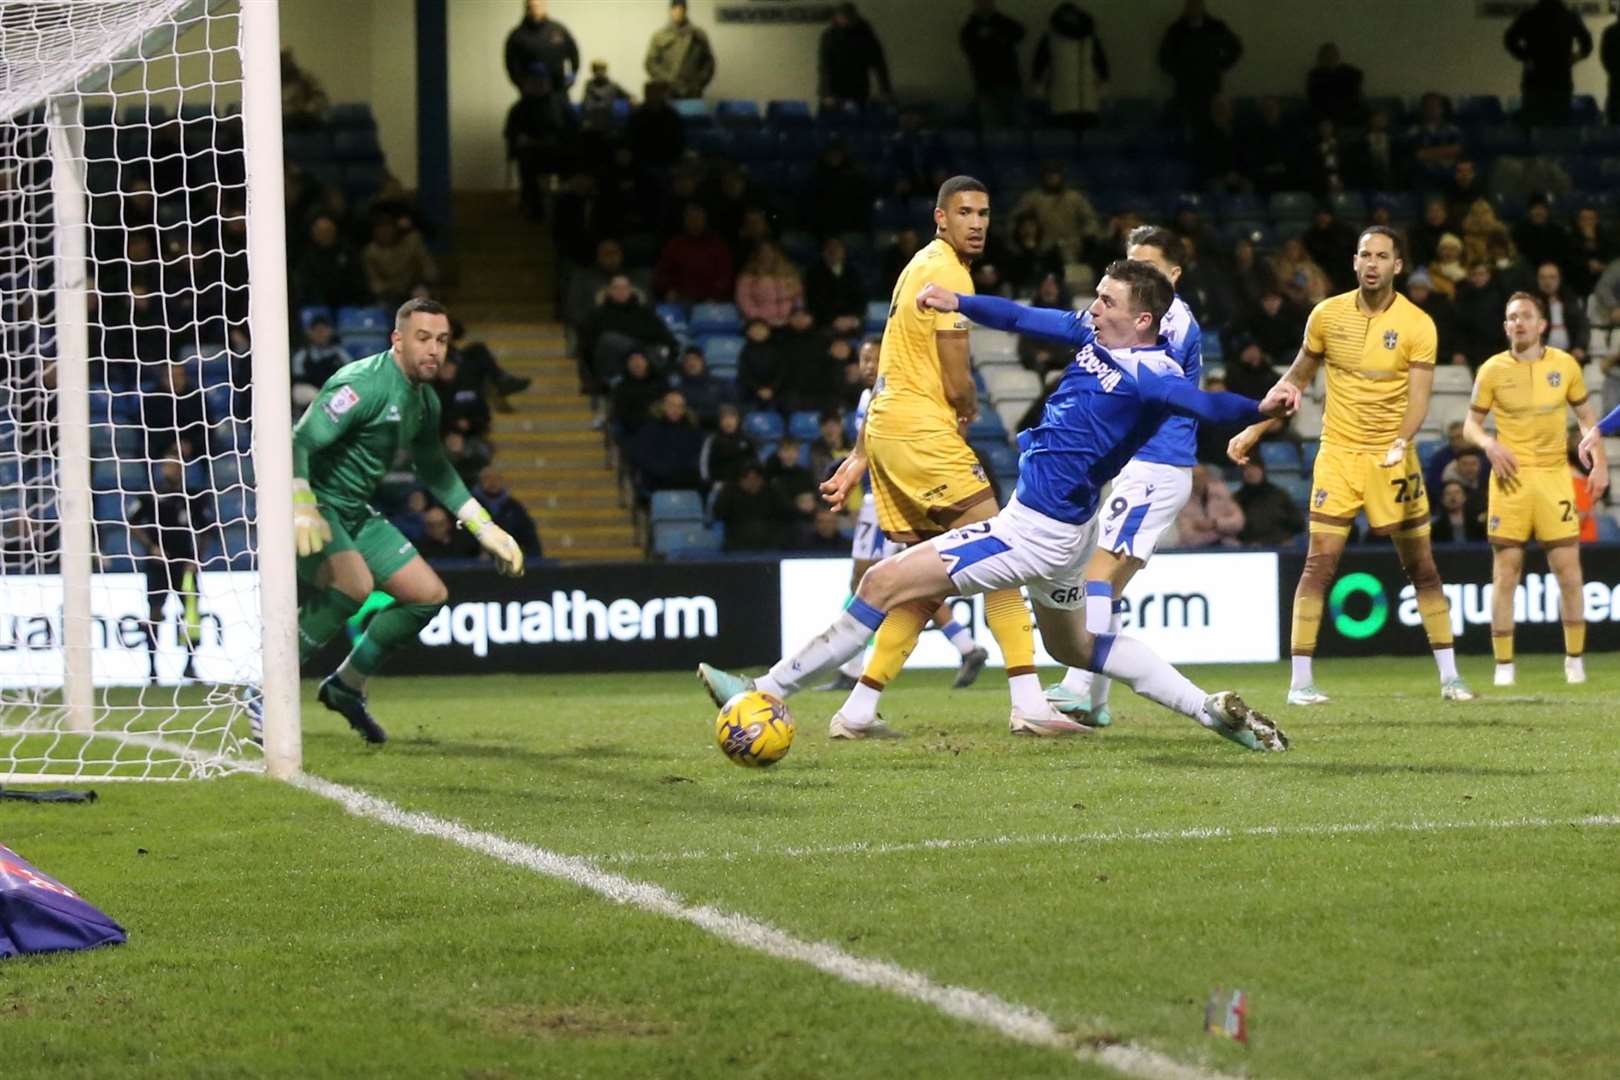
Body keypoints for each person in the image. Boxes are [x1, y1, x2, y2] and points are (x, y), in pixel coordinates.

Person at [700, 259, 1296, 750]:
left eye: (1107, 302)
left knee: (882, 582)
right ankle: (1210, 711)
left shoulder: (1151, 373)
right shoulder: (1095, 336)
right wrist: (959, 303)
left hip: (1035, 531)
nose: (1094, 307)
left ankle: (764, 691)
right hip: (1069, 532)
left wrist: (1262, 408)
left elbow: (1206, 405)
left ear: (1142, 318)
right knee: (1075, 648)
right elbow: (1021, 316)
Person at [707, 176, 1066, 737]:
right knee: (1003, 554)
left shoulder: (917, 266)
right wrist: (966, 403)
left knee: (920, 582)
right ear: (940, 218)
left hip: (892, 432)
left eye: (985, 213)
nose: (977, 223)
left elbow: (886, 373)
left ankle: (852, 709)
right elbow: (953, 370)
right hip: (923, 433)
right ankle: (1029, 702)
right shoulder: (948, 270)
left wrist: (860, 453)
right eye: (965, 212)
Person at [1227, 226, 1476, 705]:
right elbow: (1295, 381)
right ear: (1354, 261)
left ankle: (1450, 677)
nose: (1372, 263)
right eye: (1365, 254)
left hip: (1392, 456)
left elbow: (1419, 401)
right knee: (1319, 564)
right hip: (1339, 454)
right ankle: (1300, 684)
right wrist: (1254, 428)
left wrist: (1402, 441)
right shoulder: (1327, 315)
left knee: (1422, 566)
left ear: (1397, 266)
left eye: (1382, 256)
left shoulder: (1418, 323)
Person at [281, 299, 525, 744]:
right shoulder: (363, 384)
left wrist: (483, 526)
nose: (434, 350)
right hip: (309, 504)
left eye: (443, 341)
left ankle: (345, 686)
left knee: (426, 595)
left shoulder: (424, 401)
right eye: (423, 338)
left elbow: (434, 468)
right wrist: (300, 502)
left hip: (353, 512)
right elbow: (299, 441)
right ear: (397, 340)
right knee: (352, 585)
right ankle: (266, 689)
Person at [1044, 227, 1202, 726]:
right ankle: (1095, 701)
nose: (1136, 278)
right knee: (1107, 584)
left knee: (1098, 574)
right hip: (1144, 461)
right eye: (1131, 265)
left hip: (1158, 462)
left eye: (1149, 269)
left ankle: (1079, 684)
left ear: (1173, 276)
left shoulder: (1172, 322)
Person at [822, 337, 989, 691]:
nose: (868, 365)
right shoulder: (868, 398)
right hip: (877, 499)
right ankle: (967, 647)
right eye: (863, 359)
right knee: (904, 586)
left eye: (874, 358)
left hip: (891, 502)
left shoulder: (897, 396)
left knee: (869, 581)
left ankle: (853, 671)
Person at [1465, 292, 1606, 686]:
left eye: (1526, 316)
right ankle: (1504, 667)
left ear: (1542, 324)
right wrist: (1489, 444)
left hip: (1553, 476)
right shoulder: (1492, 370)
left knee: (1569, 572)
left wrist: (1600, 467)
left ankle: (1574, 661)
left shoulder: (1565, 365)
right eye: (1512, 317)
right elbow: (1470, 425)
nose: (1519, 323)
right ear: (1505, 326)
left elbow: (1586, 418)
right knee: (1505, 573)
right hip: (1510, 481)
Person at [127, 458, 208, 683]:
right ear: (162, 469)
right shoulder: (150, 495)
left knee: (190, 615)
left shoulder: (192, 497)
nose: (174, 469)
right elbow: (131, 522)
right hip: (158, 565)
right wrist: (151, 547)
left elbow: (207, 529)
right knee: (154, 615)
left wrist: (197, 558)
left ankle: (190, 666)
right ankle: (152, 669)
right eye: (169, 465)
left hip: (185, 564)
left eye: (178, 466)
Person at [1504, 0, 1593, 127]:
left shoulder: (1530, 15)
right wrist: (1575, 57)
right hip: (1560, 78)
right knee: (1559, 126)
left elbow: (1509, 40)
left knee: (1534, 124)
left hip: (1535, 78)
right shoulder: (1569, 16)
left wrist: (1525, 57)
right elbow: (1587, 44)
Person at [1157, 0, 1243, 126]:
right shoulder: (1176, 30)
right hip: (1186, 89)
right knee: (1187, 124)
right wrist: (1179, 72)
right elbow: (1163, 58)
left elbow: (1235, 48)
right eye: (1191, 6)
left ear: (1202, 7)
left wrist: (1219, 66)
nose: (1194, 9)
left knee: (1210, 124)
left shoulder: (1215, 28)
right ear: (1186, 8)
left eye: (1196, 5)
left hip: (1209, 87)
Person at [1032, 3, 1109, 131]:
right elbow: (1039, 64)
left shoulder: (1089, 39)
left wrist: (1103, 87)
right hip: (1062, 103)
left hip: (1087, 103)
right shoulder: (1052, 38)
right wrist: (1039, 89)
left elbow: (1101, 63)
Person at [1012, 163, 1103, 264]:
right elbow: (1015, 221)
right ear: (1043, 177)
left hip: (1073, 246)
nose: (1052, 178)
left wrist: (1087, 236)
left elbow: (1090, 220)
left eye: (1055, 175)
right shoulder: (1032, 199)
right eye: (1049, 175)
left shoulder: (1074, 198)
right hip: (1041, 248)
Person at [960, 0, 1026, 128]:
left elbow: (1020, 33)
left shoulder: (1003, 23)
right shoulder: (970, 28)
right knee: (993, 128)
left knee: (1018, 125)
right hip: (987, 84)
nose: (984, 4)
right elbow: (969, 48)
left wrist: (994, 37)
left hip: (1008, 81)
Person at [818, 3, 892, 110]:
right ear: (837, 17)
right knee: (835, 121)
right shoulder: (829, 36)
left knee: (856, 119)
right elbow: (825, 66)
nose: (845, 20)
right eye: (842, 17)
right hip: (836, 88)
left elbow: (879, 64)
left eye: (848, 17)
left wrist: (885, 90)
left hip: (858, 87)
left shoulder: (865, 34)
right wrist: (826, 93)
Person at [654, 203, 733, 303]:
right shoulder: (675, 244)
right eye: (691, 218)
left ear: (705, 220)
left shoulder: (717, 245)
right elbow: (662, 272)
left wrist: (715, 296)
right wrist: (668, 290)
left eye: (698, 218)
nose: (694, 221)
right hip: (680, 297)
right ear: (685, 221)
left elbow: (725, 276)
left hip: (711, 300)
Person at [503, 0, 578, 96]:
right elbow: (510, 63)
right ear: (527, 8)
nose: (535, 9)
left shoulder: (558, 30)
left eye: (538, 5)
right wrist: (519, 83)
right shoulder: (518, 35)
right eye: (532, 6)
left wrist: (573, 73)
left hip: (558, 90)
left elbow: (573, 52)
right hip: (530, 94)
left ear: (544, 6)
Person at [645, 1, 715, 101]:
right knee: (668, 116)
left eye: (681, 9)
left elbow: (709, 64)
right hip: (666, 90)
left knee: (690, 115)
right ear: (670, 11)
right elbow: (650, 63)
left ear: (685, 11)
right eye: (675, 9)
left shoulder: (698, 35)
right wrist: (666, 79)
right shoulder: (660, 35)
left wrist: (698, 83)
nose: (678, 13)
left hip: (692, 91)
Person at [733, 240, 804, 328]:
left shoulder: (788, 274)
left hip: (790, 320)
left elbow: (798, 296)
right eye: (763, 251)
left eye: (770, 251)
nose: (767, 254)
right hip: (760, 321)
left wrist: (797, 312)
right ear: (757, 254)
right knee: (758, 333)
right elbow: (744, 301)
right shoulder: (748, 277)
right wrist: (759, 317)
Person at [475, 467, 543, 557]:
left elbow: (529, 536)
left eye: (496, 478)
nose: (492, 482)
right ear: (480, 482)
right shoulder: (472, 505)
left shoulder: (513, 507)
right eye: (487, 478)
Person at [804, 236, 867, 331]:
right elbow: (814, 303)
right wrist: (832, 320)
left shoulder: (853, 273)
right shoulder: (814, 274)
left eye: (837, 247)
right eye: (830, 248)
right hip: (825, 325)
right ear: (823, 252)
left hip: (851, 323)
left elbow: (861, 298)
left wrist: (854, 318)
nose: (833, 251)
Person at [1235, 460, 1305, 546]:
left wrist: (1286, 538)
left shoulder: (1279, 495)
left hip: (1280, 544)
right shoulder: (1237, 498)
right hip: (1249, 547)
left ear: (1262, 471)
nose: (1251, 472)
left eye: (1254, 468)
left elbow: (1298, 522)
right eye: (1246, 469)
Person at [1173, 464, 1244, 547]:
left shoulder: (1221, 493)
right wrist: (1220, 533)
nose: (1198, 480)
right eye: (1194, 477)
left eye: (1201, 476)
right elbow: (1187, 535)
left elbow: (1239, 522)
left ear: (1207, 477)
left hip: (1226, 545)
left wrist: (1215, 524)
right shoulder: (1182, 500)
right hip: (1194, 549)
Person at [1532, 261, 1589, 362]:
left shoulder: (1571, 300)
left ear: (1559, 279)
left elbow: (1582, 326)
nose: (1547, 282)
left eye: (1552, 277)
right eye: (1543, 278)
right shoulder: (1531, 303)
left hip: (1570, 354)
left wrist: (1579, 346)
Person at [291, 316, 353, 403]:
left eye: (323, 331)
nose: (320, 334)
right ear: (310, 333)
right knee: (298, 390)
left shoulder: (339, 353)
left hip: (334, 392)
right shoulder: (302, 354)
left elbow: (350, 373)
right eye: (317, 331)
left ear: (330, 332)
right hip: (312, 393)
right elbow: (299, 378)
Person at [1305, 42, 1364, 128]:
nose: (1330, 58)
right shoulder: (1316, 75)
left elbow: (1358, 78)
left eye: (1333, 55)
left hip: (1347, 110)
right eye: (1327, 56)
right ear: (1321, 58)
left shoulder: (1349, 72)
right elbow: (1313, 98)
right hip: (1323, 112)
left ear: (1337, 56)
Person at [1604, 16, 1620, 124]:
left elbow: (1605, 57)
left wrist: (1613, 72)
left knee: (1614, 117)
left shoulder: (1610, 31)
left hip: (1615, 79)